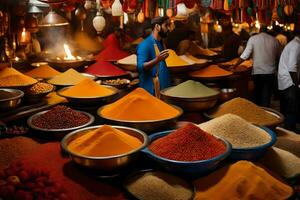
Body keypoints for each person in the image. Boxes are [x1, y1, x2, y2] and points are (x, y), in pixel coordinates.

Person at [235, 25, 281, 107]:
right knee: (267, 96)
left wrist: (235, 65)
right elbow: (278, 56)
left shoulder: (253, 39)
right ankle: (266, 115)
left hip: (258, 73)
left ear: (259, 30)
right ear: (267, 31)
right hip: (270, 73)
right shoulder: (275, 40)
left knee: (257, 96)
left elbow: (245, 55)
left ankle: (259, 115)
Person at [136, 16, 171, 95]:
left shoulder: (161, 42)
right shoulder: (145, 45)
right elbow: (140, 67)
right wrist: (157, 60)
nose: (169, 29)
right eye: (166, 25)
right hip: (151, 91)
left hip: (164, 90)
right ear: (157, 26)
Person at [277, 30, 300, 131]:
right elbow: (292, 67)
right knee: (291, 110)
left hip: (285, 81)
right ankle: (290, 133)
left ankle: (288, 131)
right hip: (289, 82)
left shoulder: (294, 44)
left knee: (288, 110)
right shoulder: (296, 45)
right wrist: (298, 84)